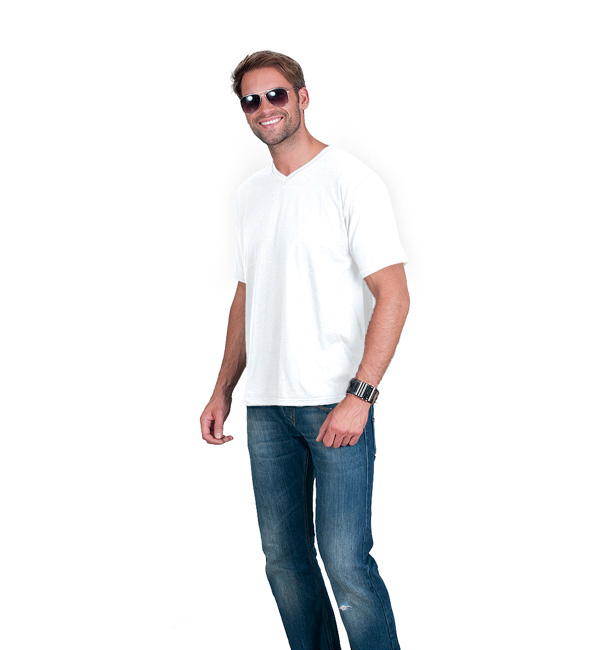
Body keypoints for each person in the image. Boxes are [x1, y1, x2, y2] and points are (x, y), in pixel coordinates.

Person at [200, 50, 410, 650]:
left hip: (334, 404)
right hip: (267, 410)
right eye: (251, 100)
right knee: (285, 563)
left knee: (346, 564)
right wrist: (222, 390)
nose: (264, 108)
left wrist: (360, 396)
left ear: (302, 97)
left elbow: (394, 295)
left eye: (276, 95)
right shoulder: (251, 195)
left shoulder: (350, 181)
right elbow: (247, 296)